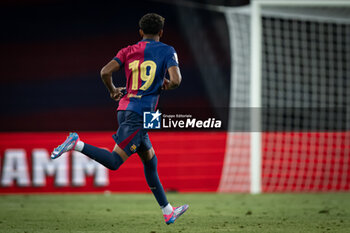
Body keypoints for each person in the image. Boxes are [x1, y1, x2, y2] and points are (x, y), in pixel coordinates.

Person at [51, 13, 188, 225]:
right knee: (115, 162)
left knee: (151, 161)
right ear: (161, 32)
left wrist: (113, 90)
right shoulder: (168, 51)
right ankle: (76, 144)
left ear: (140, 32)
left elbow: (105, 72)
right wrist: (165, 83)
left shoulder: (128, 50)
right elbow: (177, 80)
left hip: (126, 108)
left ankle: (168, 211)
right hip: (142, 113)